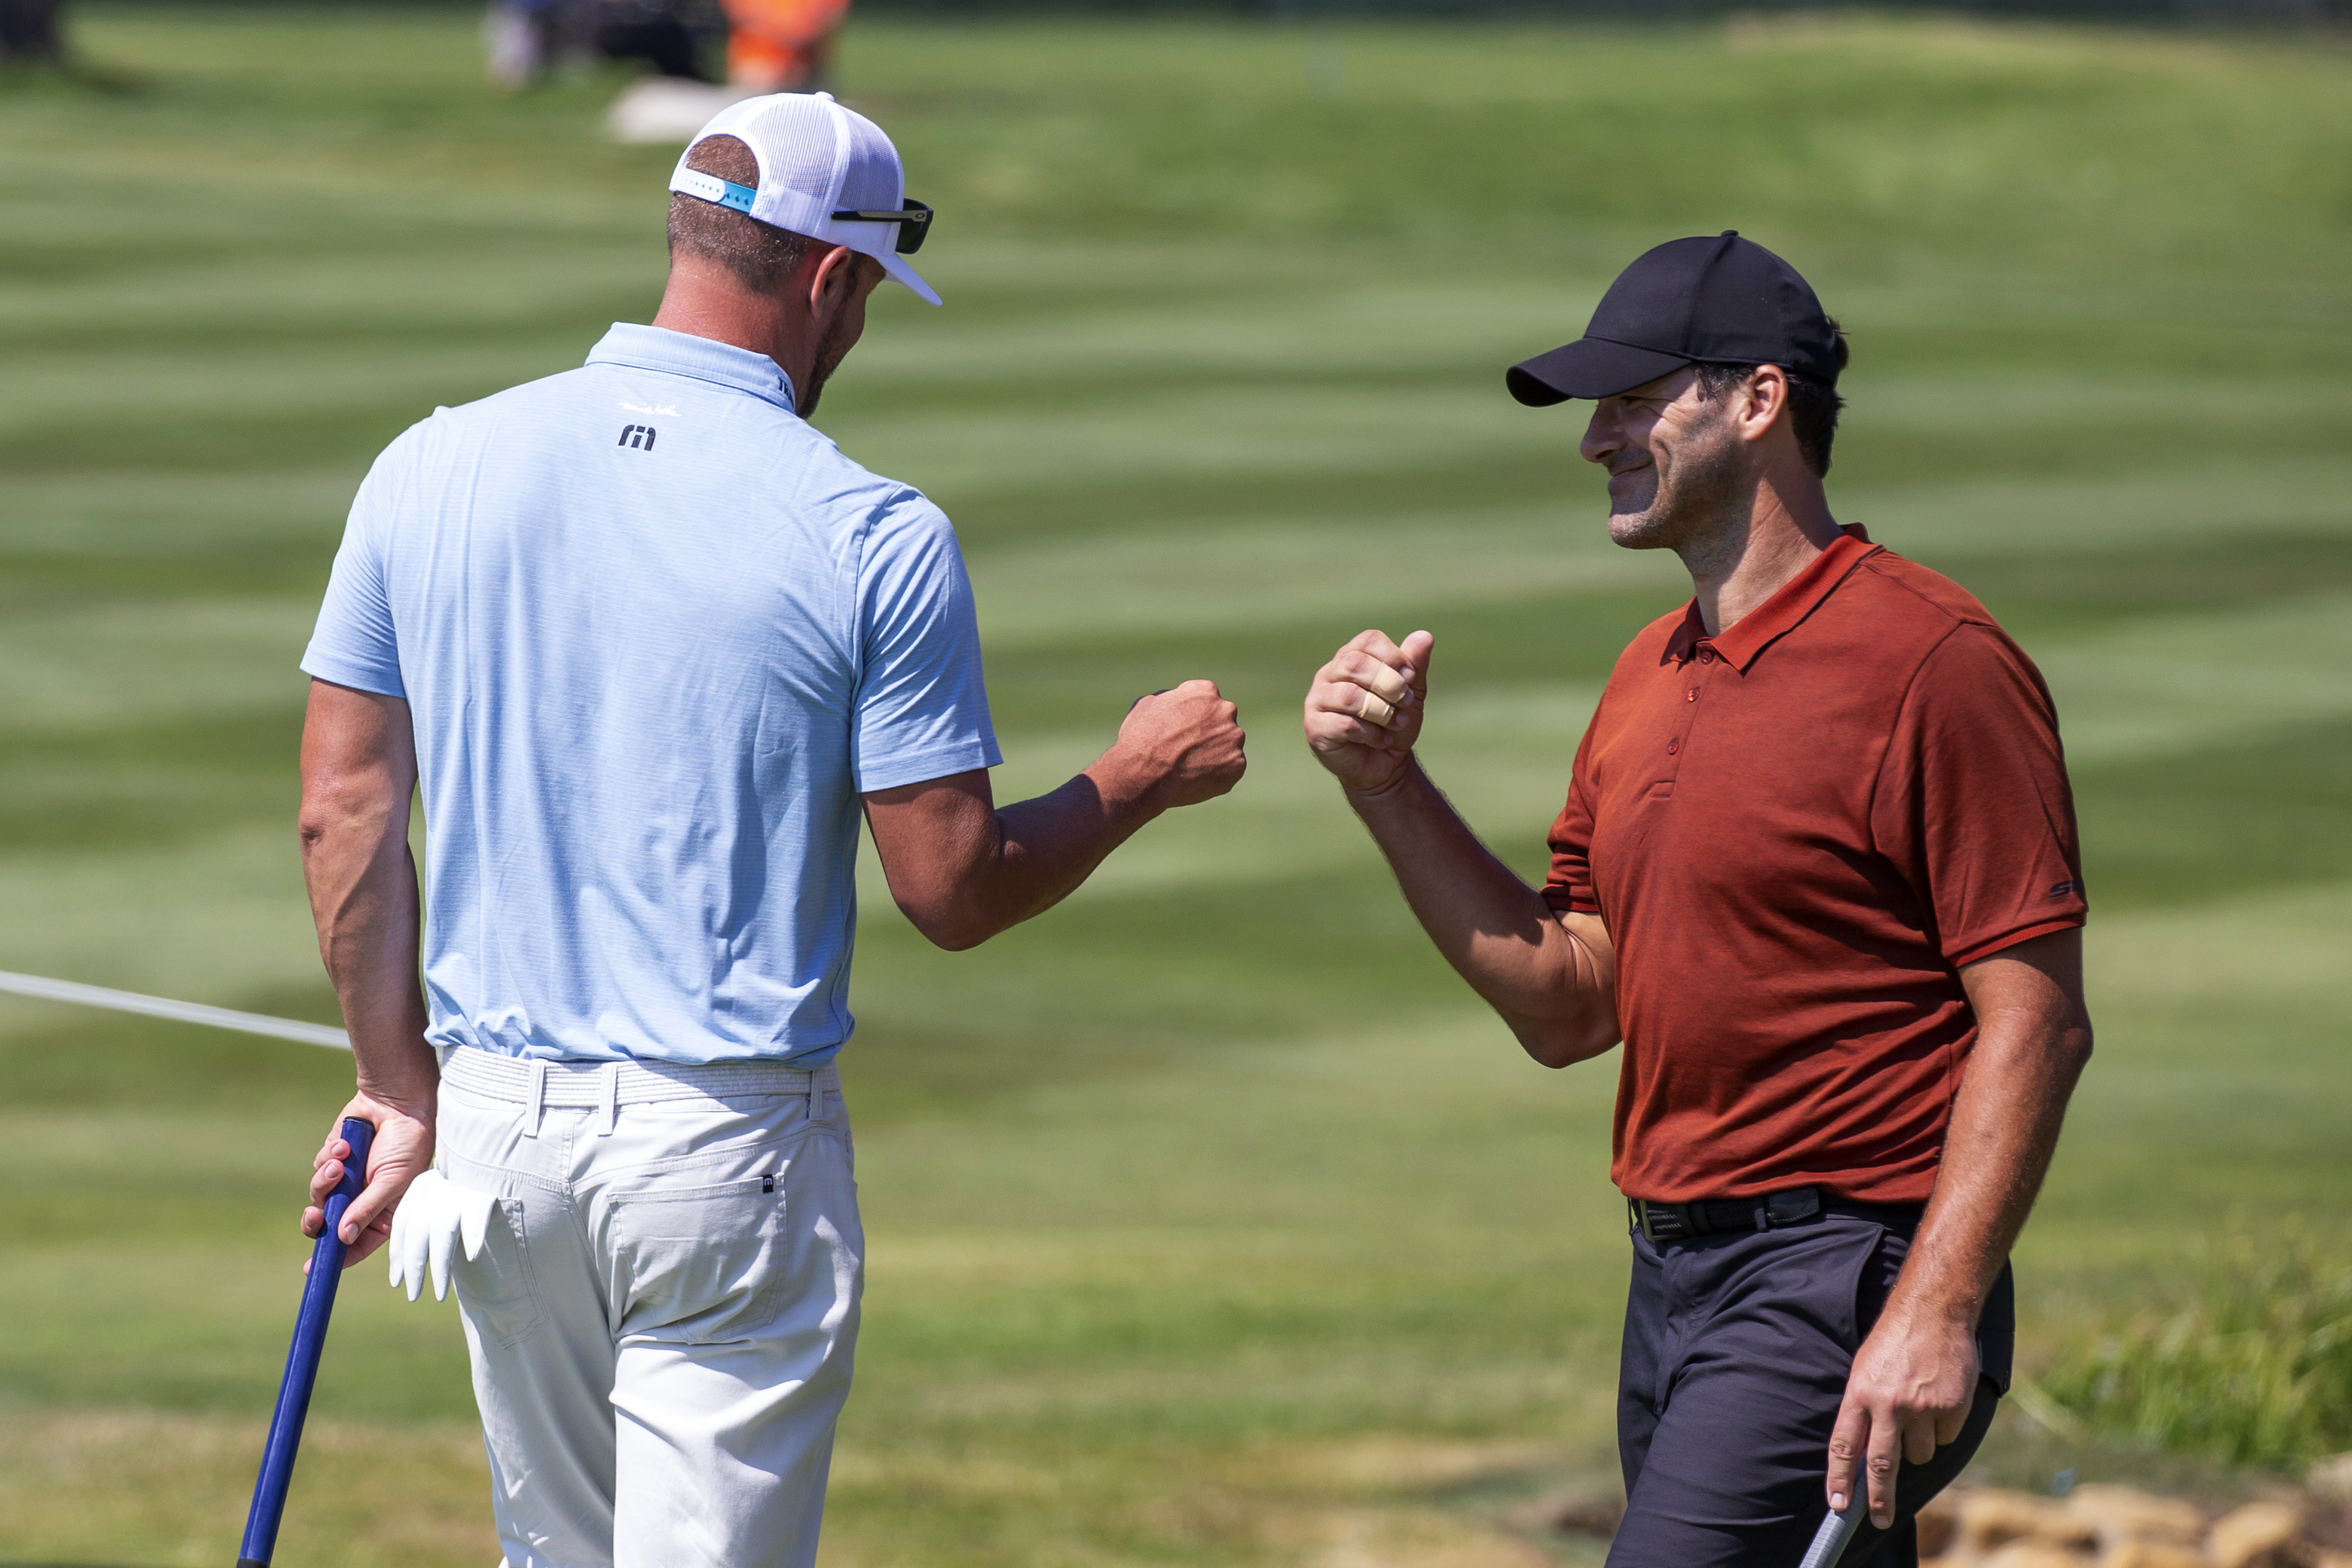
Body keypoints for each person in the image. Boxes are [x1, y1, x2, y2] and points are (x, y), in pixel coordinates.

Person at [294, 91, 1246, 1568]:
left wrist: (392, 1084)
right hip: (720, 1149)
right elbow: (952, 888)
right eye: (865, 297)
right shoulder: (872, 527)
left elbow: (342, 805)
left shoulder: (428, 463)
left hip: (491, 1141)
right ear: (830, 278)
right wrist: (1135, 775)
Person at [1300, 232, 2094, 1567]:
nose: (1596, 437)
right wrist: (1387, 786)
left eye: (1632, 399)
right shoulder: (1646, 673)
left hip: (1841, 1280)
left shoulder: (1936, 661)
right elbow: (1571, 1004)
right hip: (1672, 1279)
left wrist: (1938, 1308)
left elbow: (2037, 1018)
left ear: (1759, 401)